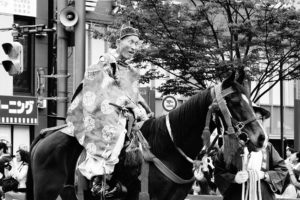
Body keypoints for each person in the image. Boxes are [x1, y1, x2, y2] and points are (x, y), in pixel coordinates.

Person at [60, 25, 152, 198]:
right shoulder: (106, 61)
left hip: (123, 109)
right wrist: (130, 105)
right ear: (118, 42)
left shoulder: (131, 70)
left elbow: (133, 93)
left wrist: (144, 108)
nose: (134, 47)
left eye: (137, 44)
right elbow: (101, 87)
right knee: (114, 130)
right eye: (130, 42)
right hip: (103, 108)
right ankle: (99, 179)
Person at [214, 103, 288, 200]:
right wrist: (234, 178)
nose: (256, 122)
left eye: (259, 118)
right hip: (236, 195)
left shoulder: (268, 147)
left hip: (264, 196)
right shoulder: (228, 147)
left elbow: (282, 169)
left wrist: (265, 175)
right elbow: (218, 173)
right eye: (252, 118)